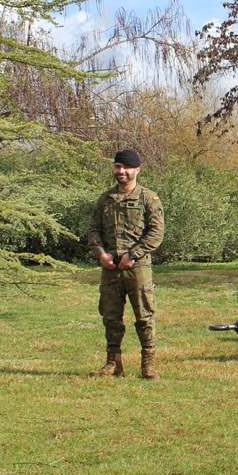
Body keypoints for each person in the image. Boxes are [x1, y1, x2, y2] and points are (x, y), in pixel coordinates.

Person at [87, 149, 165, 379]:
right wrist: (101, 254)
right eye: (118, 167)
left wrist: (133, 255)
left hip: (137, 268)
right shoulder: (105, 199)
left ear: (137, 170)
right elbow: (94, 230)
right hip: (110, 268)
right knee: (111, 316)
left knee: (144, 316)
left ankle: (148, 365)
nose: (121, 171)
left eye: (126, 168)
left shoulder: (148, 199)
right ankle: (113, 363)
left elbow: (156, 233)